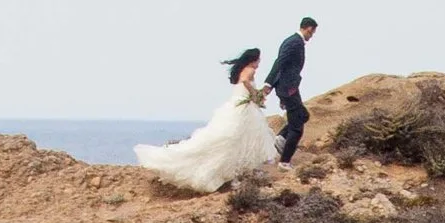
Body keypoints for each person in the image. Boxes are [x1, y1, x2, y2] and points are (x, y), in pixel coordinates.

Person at [134, 49, 279, 192]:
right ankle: (242, 170)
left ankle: (240, 170)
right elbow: (245, 81)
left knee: (236, 137)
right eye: (259, 59)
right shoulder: (249, 70)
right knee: (237, 138)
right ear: (254, 59)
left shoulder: (242, 69)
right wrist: (255, 94)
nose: (259, 62)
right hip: (244, 107)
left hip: (238, 104)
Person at [265, 16, 317, 166]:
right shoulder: (294, 42)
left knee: (303, 115)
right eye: (312, 33)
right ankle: (285, 162)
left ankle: (281, 138)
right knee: (297, 128)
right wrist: (269, 83)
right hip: (288, 89)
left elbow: (287, 66)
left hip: (289, 88)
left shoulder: (295, 41)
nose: (311, 36)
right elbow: (279, 62)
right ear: (309, 29)